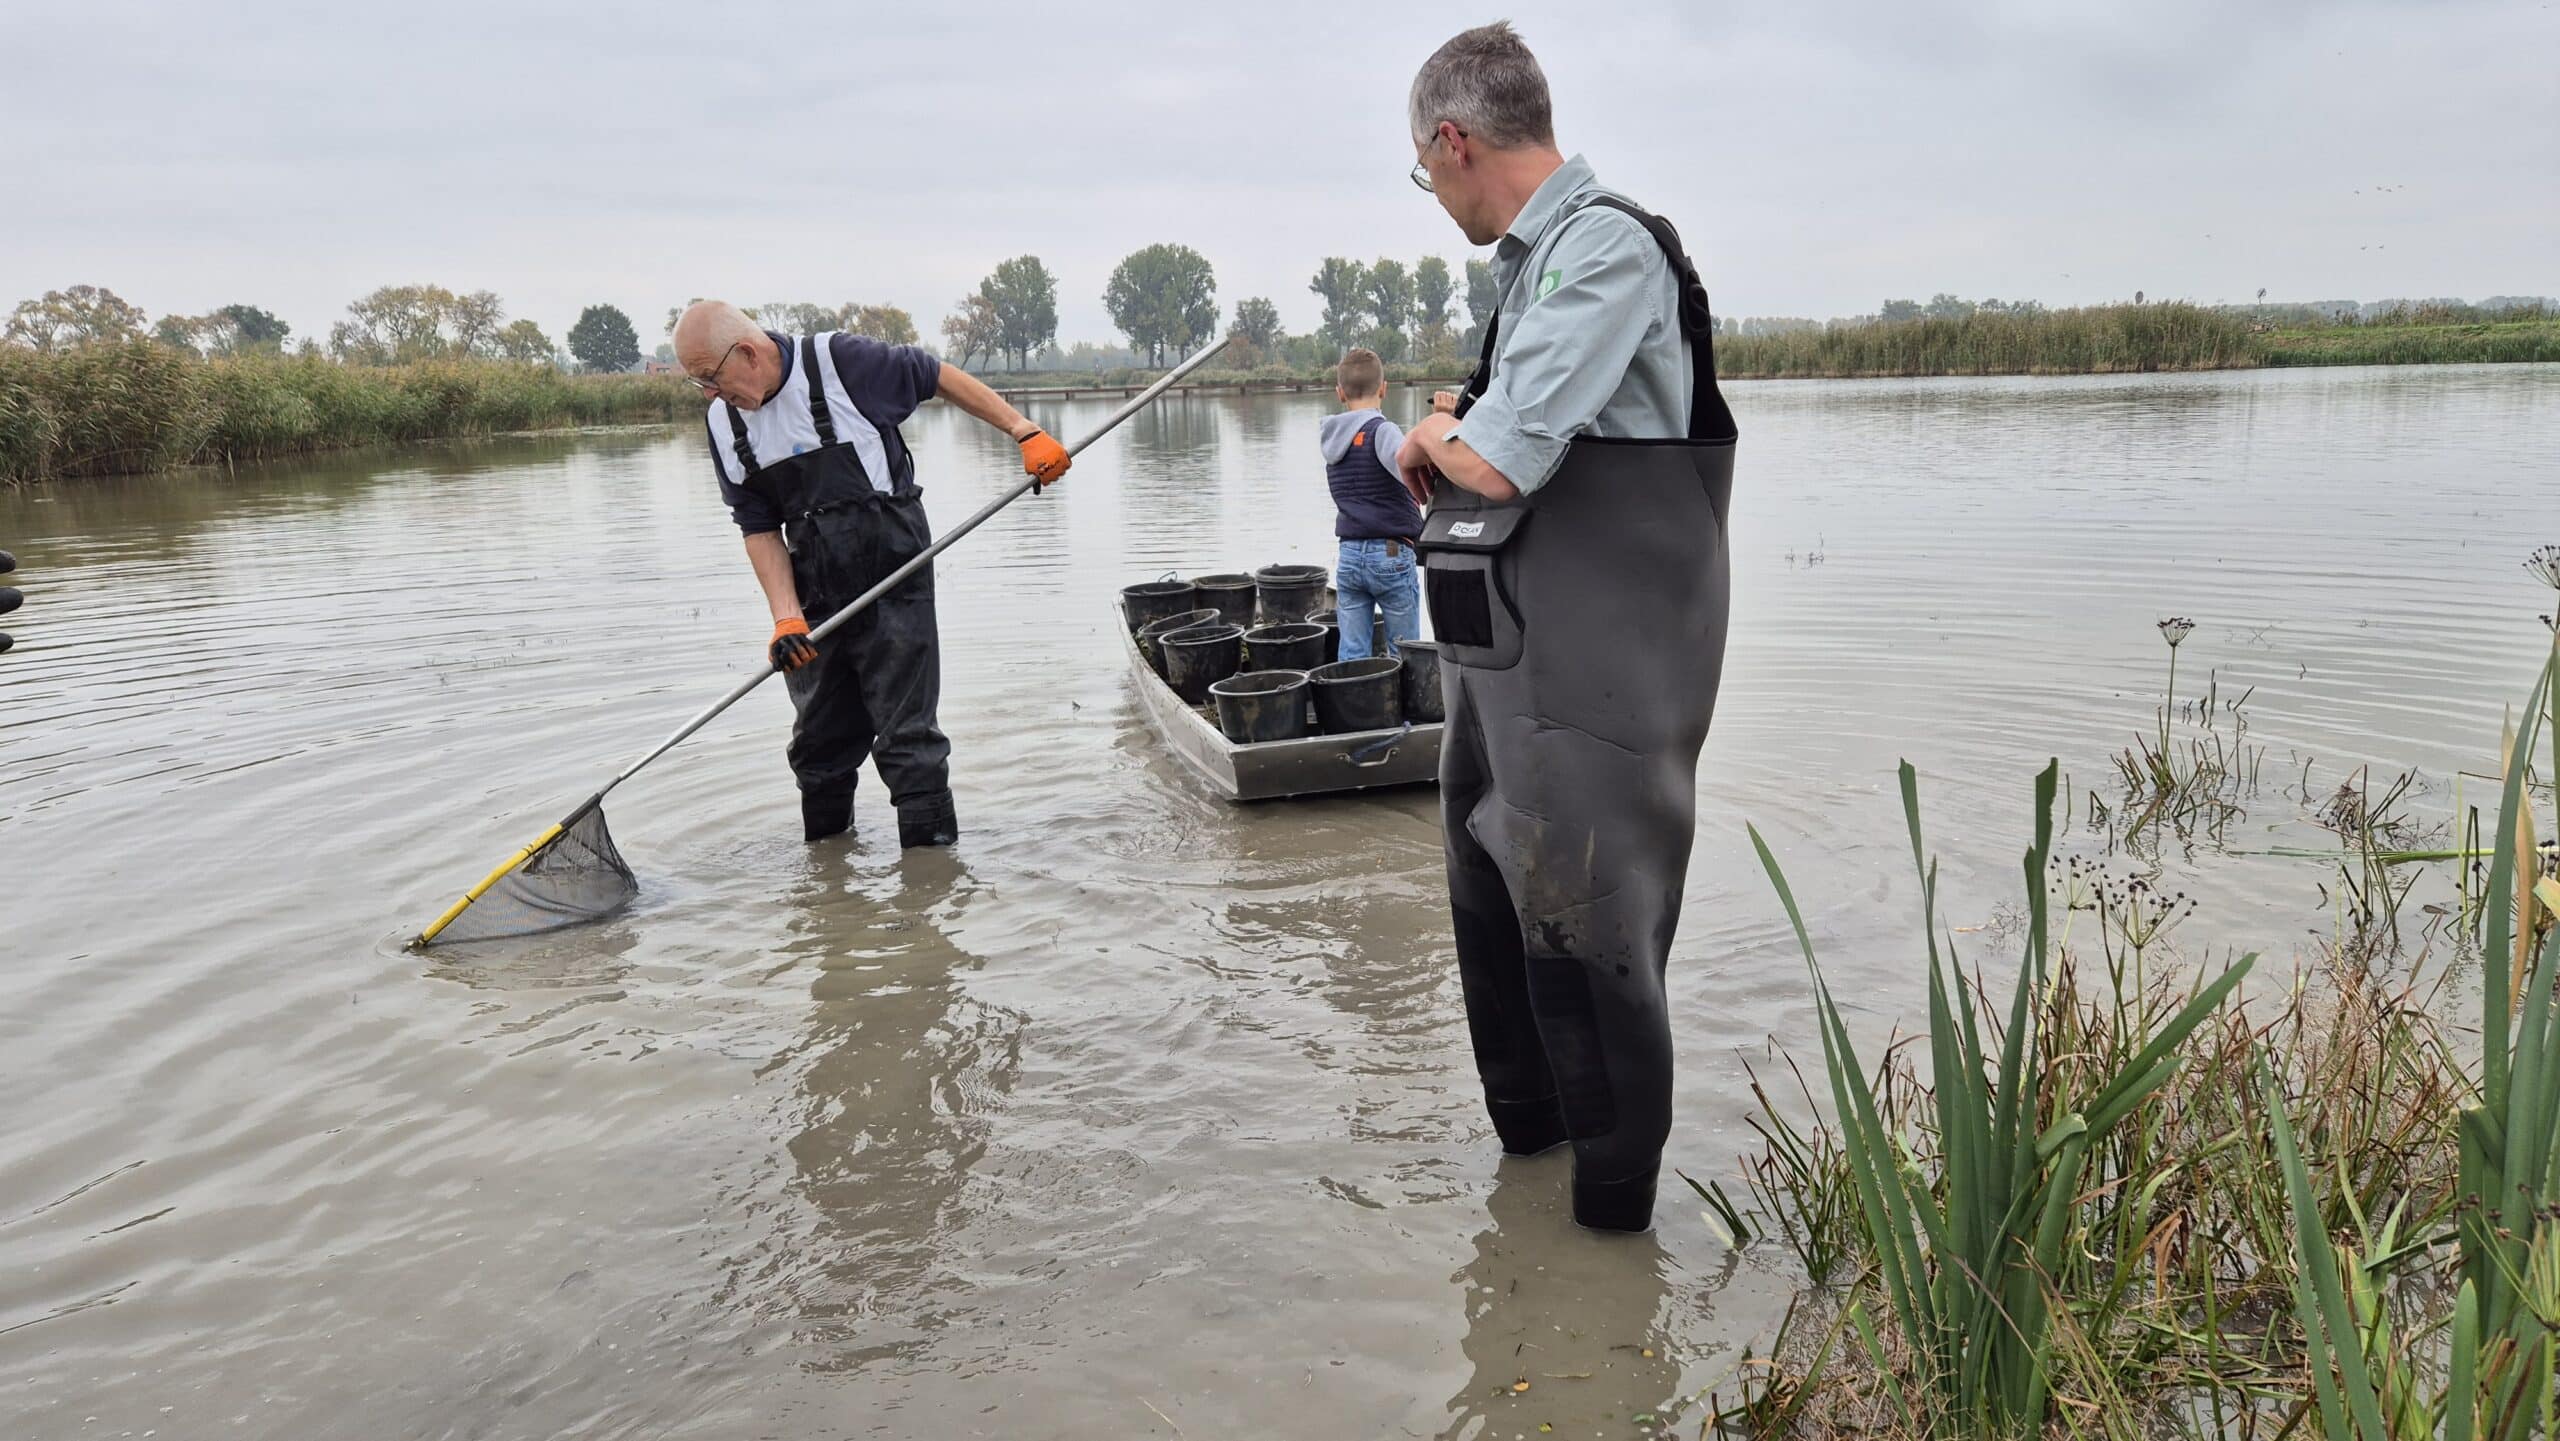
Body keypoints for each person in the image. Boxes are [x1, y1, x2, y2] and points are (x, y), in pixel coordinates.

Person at [1394, 23, 1740, 1233]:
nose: (1433, 192)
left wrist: (1432, 434)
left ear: (1453, 140)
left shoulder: (1604, 247)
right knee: (1494, 897)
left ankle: (1607, 1244)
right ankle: (1530, 1166)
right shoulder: (1528, 274)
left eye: (1423, 170)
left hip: (1603, 669)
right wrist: (1460, 421)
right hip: (1506, 660)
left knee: (1594, 922)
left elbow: (1493, 462)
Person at [672, 301, 1071, 847]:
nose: (711, 395)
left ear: (747, 353)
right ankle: (827, 869)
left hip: (894, 575)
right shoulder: (723, 423)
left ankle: (930, 879)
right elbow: (758, 526)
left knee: (909, 742)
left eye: (711, 379)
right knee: (818, 748)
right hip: (814, 594)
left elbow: (935, 376)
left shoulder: (840, 363)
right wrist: (786, 618)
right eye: (699, 384)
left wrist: (1023, 431)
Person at [1316, 347, 1423, 660]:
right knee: (1405, 652)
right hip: (1390, 552)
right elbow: (1413, 475)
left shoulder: (1331, 440)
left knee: (1352, 653)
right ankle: (1405, 695)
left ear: (1340, 393)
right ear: (1384, 389)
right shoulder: (1383, 431)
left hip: (1349, 555)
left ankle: (1353, 693)